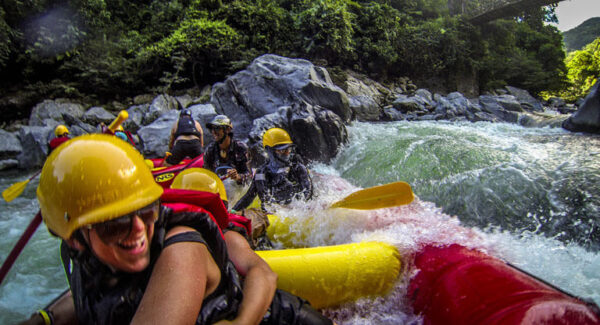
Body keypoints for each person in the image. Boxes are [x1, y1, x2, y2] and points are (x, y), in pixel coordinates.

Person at [21, 134, 331, 325]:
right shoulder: (252, 173)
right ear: (73, 239)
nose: (138, 229)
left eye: (147, 210)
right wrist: (45, 318)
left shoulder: (185, 244)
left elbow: (262, 271)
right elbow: (94, 294)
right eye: (115, 223)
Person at [232, 128, 313, 212]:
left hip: (295, 212)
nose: (286, 154)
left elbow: (308, 194)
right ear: (269, 151)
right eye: (282, 150)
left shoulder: (298, 168)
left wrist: (293, 209)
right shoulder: (261, 173)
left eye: (288, 150)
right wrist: (233, 211)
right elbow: (248, 197)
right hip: (273, 213)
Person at [203, 115, 252, 185]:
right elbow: (206, 174)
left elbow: (249, 176)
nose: (213, 132)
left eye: (217, 128)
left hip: (239, 187)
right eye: (211, 129)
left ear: (228, 130)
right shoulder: (210, 150)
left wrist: (237, 177)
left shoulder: (241, 148)